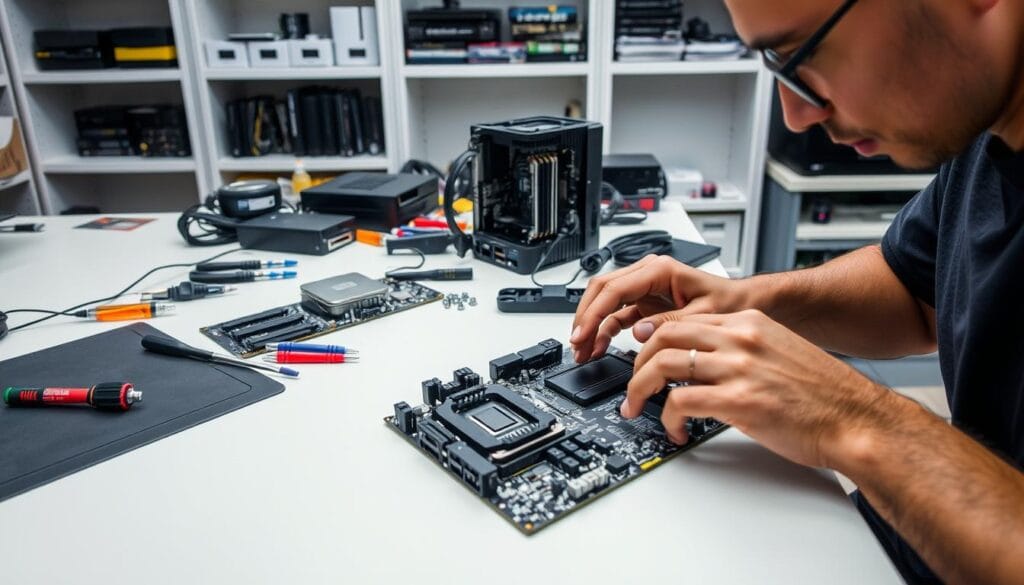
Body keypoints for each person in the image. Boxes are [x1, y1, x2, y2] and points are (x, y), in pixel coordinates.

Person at [570, 1, 1024, 583]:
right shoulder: (990, 135)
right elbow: (915, 291)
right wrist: (744, 300)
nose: (796, 116)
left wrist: (856, 418)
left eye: (803, 55)